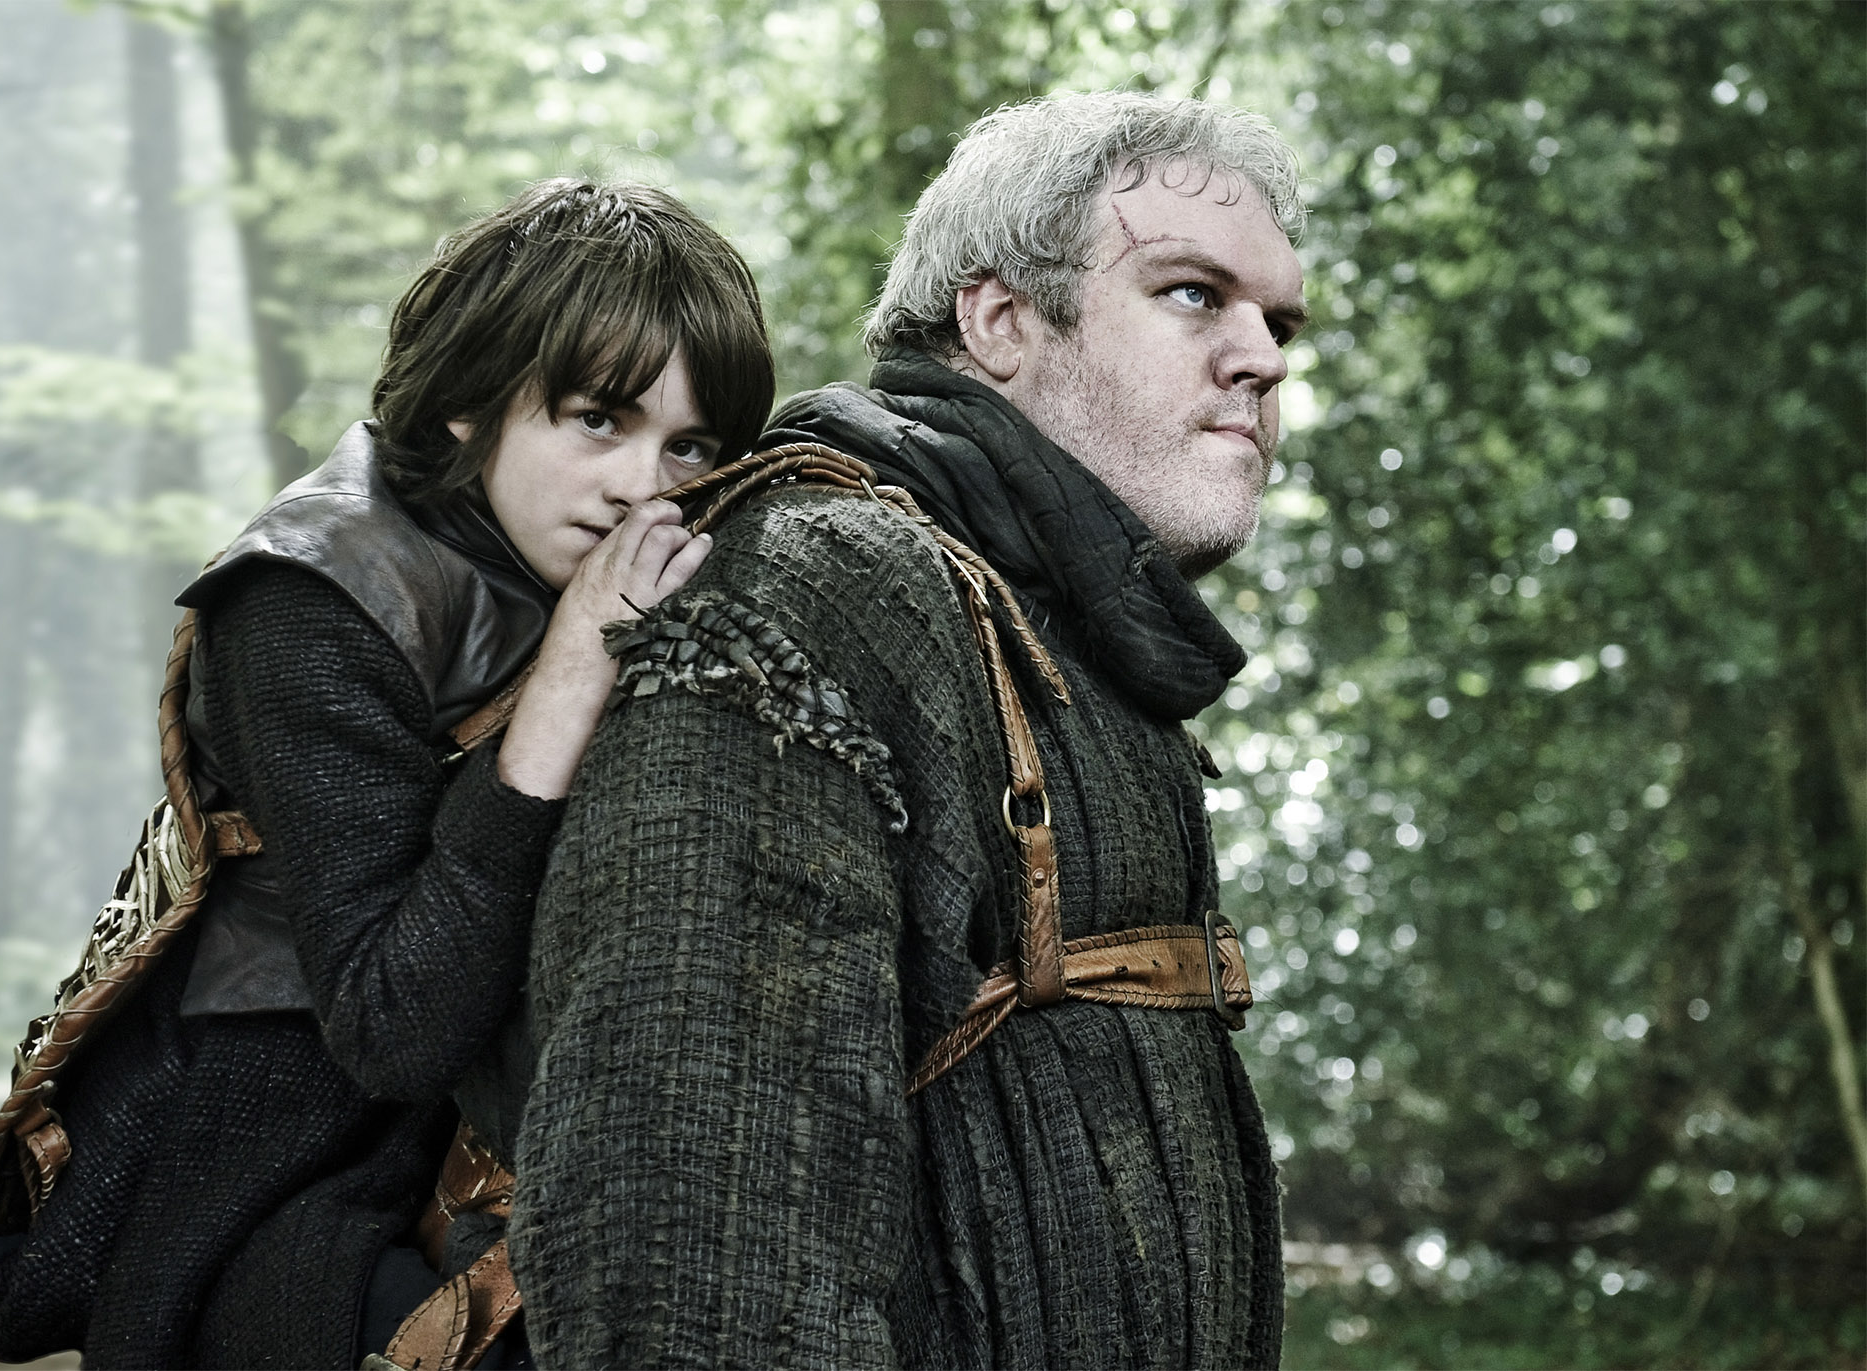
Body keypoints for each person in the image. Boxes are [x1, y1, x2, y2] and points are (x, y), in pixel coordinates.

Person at [0, 178, 773, 1367]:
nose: (642, 486)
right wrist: (566, 684)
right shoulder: (308, 600)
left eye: (689, 445)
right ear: (465, 403)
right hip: (282, 1120)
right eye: (598, 419)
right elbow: (393, 1028)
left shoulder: (584, 549)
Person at [506, 92, 1308, 1368]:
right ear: (999, 322)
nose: (1261, 358)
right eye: (1191, 294)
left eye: (1279, 321)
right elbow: (691, 1251)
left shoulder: (1074, 642)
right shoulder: (819, 590)